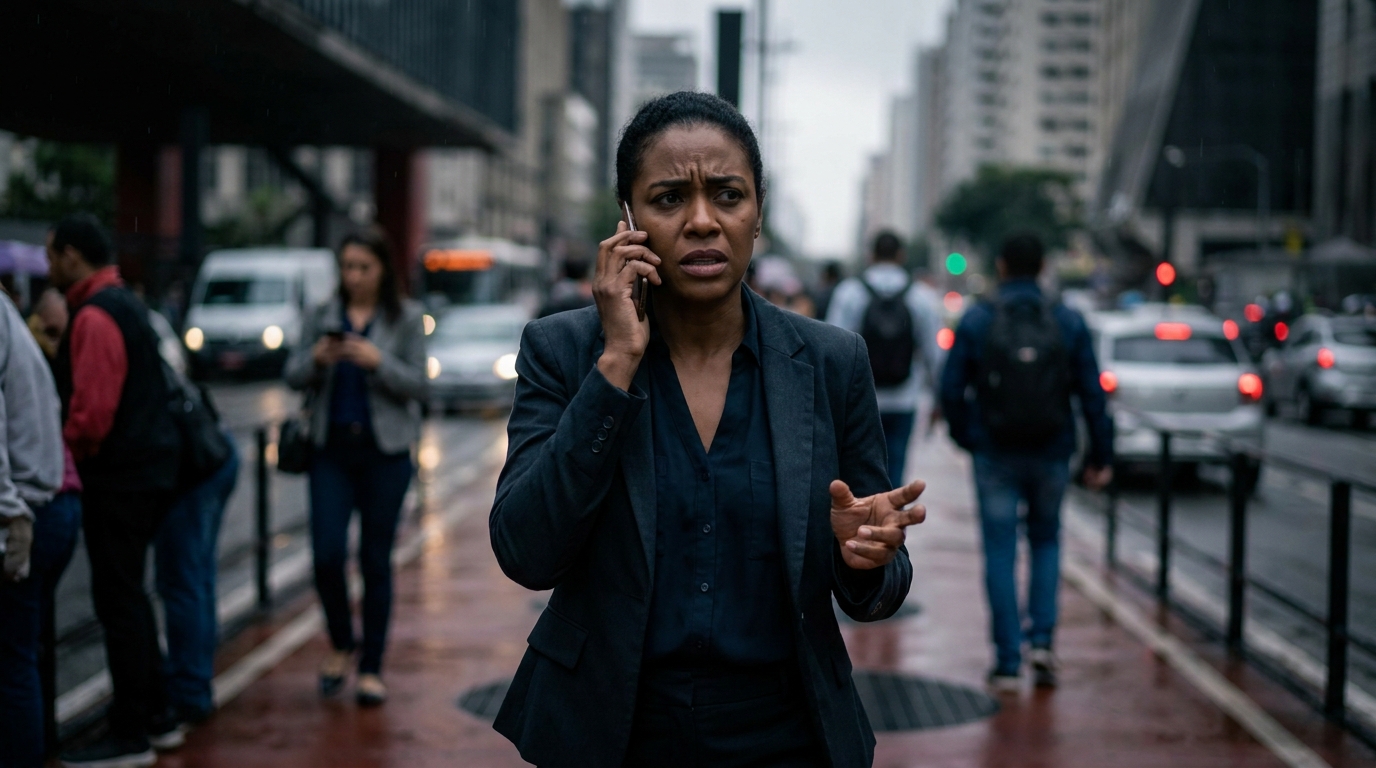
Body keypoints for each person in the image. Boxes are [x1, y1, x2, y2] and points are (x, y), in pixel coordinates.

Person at [489, 91, 926, 768]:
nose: (702, 221)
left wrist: (864, 556)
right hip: (611, 733)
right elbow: (525, 551)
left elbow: (879, 581)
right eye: (668, 199)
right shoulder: (564, 352)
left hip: (786, 737)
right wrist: (615, 367)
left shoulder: (833, 362)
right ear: (628, 220)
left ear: (758, 215)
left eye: (727, 195)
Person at [939, 233, 1113, 693]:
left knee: (999, 549)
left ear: (1000, 267)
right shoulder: (1067, 319)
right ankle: (1042, 644)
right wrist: (1100, 453)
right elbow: (1093, 393)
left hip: (994, 451)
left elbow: (951, 388)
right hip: (1052, 449)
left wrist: (968, 437)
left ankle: (1007, 661)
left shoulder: (978, 318)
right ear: (1041, 268)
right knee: (1046, 542)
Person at [45, 214, 183, 767]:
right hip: (147, 472)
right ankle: (157, 714)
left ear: (74, 256)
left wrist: (61, 455)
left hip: (120, 479)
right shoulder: (125, 302)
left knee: (118, 600)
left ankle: (131, 731)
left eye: (54, 255)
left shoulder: (96, 315)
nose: (50, 266)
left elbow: (91, 415)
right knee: (132, 598)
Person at [284, 228, 427, 707]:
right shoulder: (322, 315)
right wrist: (318, 360)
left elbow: (419, 386)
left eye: (364, 267)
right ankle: (343, 641)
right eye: (347, 267)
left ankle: (371, 668)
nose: (354, 276)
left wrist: (377, 360)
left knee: (374, 561)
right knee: (326, 556)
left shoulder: (405, 318)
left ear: (383, 269)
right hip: (331, 453)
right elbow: (291, 373)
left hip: (385, 454)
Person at [150, 312, 239, 726]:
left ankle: (190, 688)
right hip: (209, 455)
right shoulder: (142, 318)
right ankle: (194, 680)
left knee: (183, 578)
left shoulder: (102, 322)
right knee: (194, 577)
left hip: (192, 467)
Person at [0, 289, 66, 768]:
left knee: (12, 665)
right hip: (44, 501)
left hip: (23, 507)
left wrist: (10, 512)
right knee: (21, 658)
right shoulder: (7, 315)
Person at [826, 231, 944, 487]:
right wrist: (938, 399)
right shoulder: (922, 296)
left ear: (871, 256)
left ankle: (863, 523)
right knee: (896, 469)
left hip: (859, 400)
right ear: (901, 256)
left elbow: (833, 351)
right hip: (905, 398)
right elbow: (935, 354)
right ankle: (891, 521)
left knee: (856, 471)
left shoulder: (850, 293)